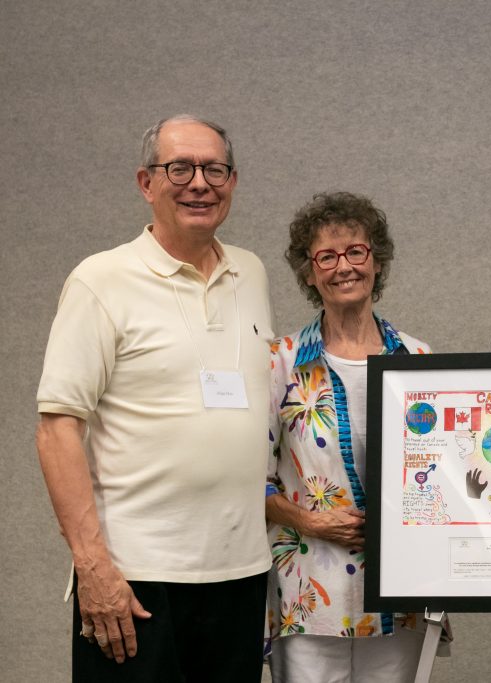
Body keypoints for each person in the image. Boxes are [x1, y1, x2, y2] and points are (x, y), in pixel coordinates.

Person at [36, 114, 274, 682]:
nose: (200, 184)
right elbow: (56, 429)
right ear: (146, 183)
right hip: (137, 579)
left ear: (233, 182)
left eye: (215, 169)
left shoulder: (251, 273)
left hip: (240, 574)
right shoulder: (101, 280)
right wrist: (92, 566)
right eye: (180, 168)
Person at [266, 191, 440, 682]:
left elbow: (439, 480)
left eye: (356, 252)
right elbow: (251, 480)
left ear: (376, 262)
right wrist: (310, 520)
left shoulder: (419, 359)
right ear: (309, 272)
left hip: (401, 595)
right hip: (309, 595)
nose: (343, 266)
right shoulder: (280, 361)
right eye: (326, 256)